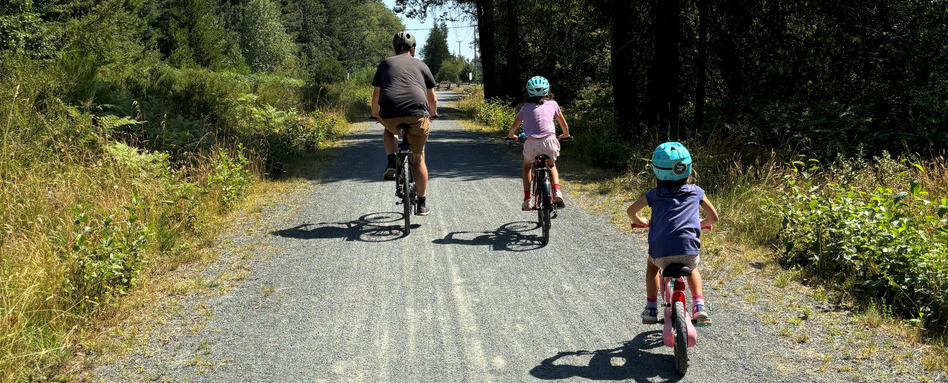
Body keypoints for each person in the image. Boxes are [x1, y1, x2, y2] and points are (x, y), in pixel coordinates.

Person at [626, 142, 719, 326]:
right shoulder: (696, 192)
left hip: (660, 254)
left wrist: (640, 221)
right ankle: (699, 306)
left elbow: (631, 211)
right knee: (692, 268)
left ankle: (651, 308)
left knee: (652, 267)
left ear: (657, 171)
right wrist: (701, 224)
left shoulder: (654, 194)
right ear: (688, 168)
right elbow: (713, 218)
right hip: (688, 253)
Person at [371, 31, 438, 216]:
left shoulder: (385, 64)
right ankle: (422, 204)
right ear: (413, 49)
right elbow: (431, 98)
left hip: (390, 113)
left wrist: (375, 115)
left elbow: (376, 95)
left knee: (388, 130)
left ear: (395, 49)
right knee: (419, 159)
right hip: (417, 116)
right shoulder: (422, 65)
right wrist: (432, 114)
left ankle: (392, 160)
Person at [505, 76, 571, 210]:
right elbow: (564, 125)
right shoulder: (553, 104)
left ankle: (527, 199)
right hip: (549, 143)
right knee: (551, 165)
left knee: (527, 167)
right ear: (547, 91)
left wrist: (511, 136)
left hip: (532, 144)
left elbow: (514, 126)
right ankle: (557, 191)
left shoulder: (525, 108)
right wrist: (565, 135)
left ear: (528, 92)